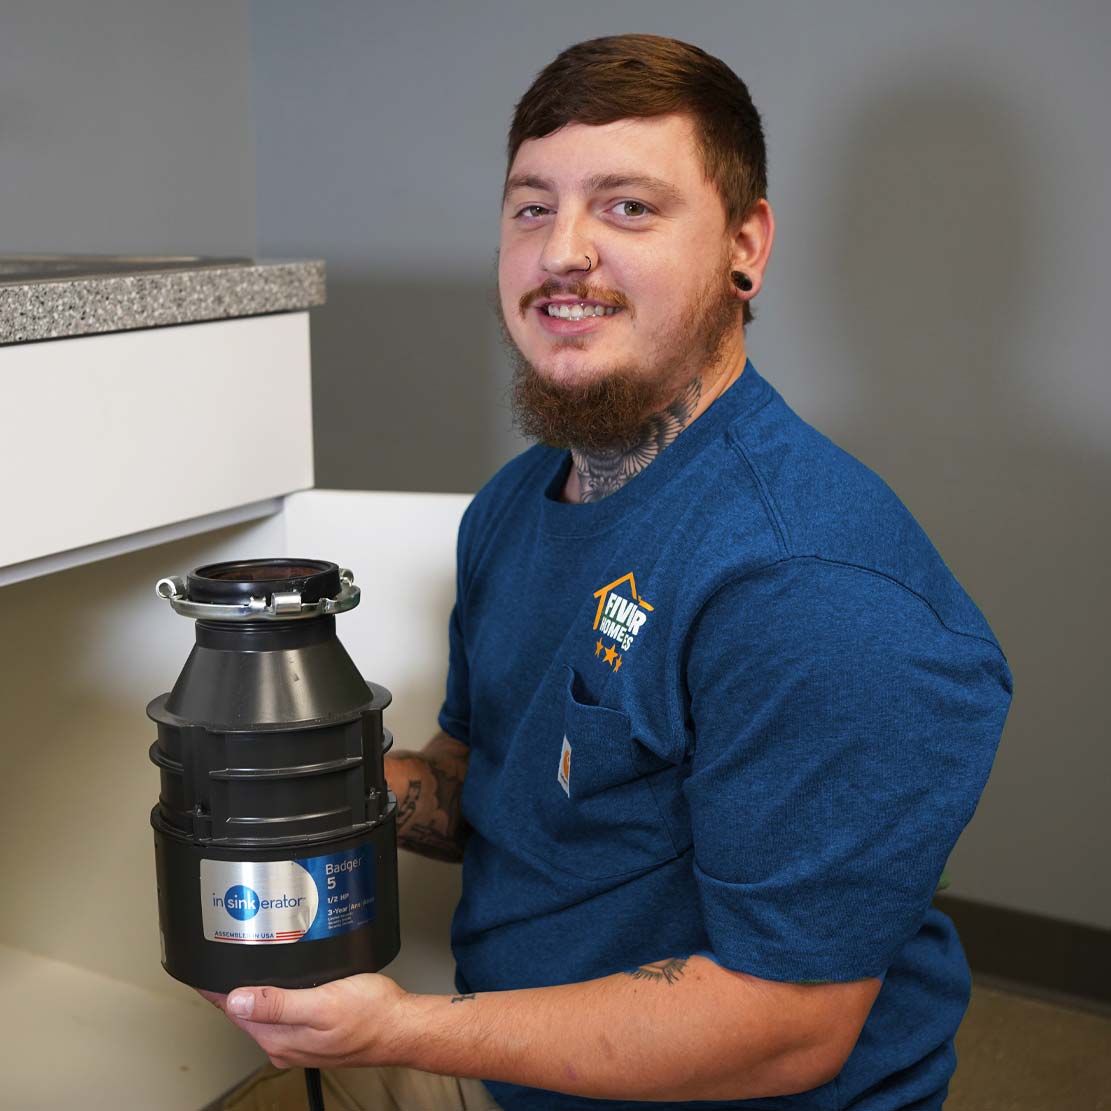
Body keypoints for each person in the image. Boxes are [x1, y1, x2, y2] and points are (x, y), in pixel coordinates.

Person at [208, 33, 1013, 1111]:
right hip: (510, 1062)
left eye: (627, 207)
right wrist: (276, 779)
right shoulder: (513, 507)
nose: (561, 253)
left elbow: (785, 1028)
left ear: (745, 245)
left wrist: (401, 1028)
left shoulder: (810, 585)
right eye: (531, 208)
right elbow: (485, 785)